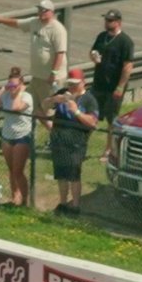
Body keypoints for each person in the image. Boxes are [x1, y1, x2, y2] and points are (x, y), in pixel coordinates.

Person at [43, 68, 99, 213]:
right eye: (70, 84)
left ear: (83, 83)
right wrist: (55, 100)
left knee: (73, 174)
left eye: (75, 84)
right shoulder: (63, 92)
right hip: (59, 139)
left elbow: (93, 122)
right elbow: (44, 105)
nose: (72, 87)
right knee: (61, 174)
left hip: (76, 141)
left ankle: (75, 205)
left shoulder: (89, 100)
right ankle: (62, 203)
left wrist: (76, 111)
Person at [0, 1, 67, 86]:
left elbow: (60, 53)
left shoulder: (58, 29)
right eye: (39, 9)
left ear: (51, 12)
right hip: (37, 76)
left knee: (51, 99)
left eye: (43, 10)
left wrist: (53, 73)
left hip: (53, 78)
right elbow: (16, 23)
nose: (40, 12)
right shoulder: (34, 22)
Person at [0, 67, 36, 206]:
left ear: (21, 85)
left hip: (22, 137)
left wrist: (19, 91)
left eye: (15, 85)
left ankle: (25, 199)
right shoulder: (6, 94)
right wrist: (3, 89)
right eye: (10, 85)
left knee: (18, 171)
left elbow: (15, 108)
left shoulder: (27, 97)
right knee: (11, 170)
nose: (12, 88)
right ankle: (15, 196)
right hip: (7, 136)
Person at [87, 8, 134, 127]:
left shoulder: (125, 41)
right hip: (98, 83)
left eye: (110, 20)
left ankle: (109, 145)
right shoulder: (102, 36)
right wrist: (93, 56)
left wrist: (120, 87)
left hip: (113, 86)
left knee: (111, 118)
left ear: (118, 22)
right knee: (91, 113)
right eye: (106, 20)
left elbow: (128, 66)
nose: (107, 22)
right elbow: (93, 51)